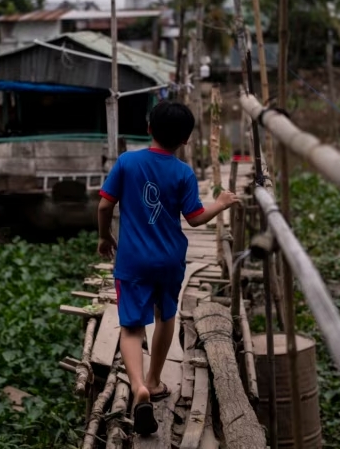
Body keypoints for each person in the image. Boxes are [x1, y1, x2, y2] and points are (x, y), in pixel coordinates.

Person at [97, 100, 239, 436]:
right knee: (166, 315)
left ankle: (138, 388)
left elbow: (104, 205)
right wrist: (219, 204)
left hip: (132, 261)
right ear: (186, 140)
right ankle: (154, 380)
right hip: (170, 260)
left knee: (131, 326)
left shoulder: (127, 162)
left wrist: (104, 237)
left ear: (148, 128)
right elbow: (195, 218)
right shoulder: (184, 173)